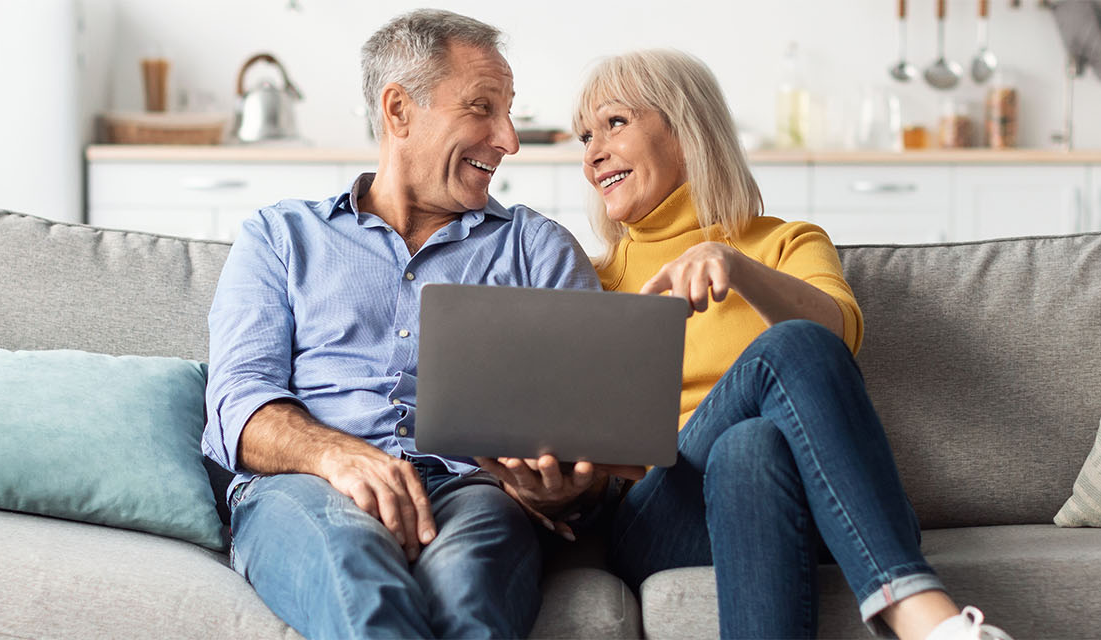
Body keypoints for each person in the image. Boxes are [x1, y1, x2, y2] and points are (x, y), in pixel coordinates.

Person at [480, 50, 1013, 640]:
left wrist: (737, 266)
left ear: (685, 131)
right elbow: (592, 456)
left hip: (798, 500)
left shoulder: (788, 244)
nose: (593, 154)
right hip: (662, 519)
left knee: (753, 438)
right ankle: (926, 617)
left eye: (614, 123)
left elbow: (837, 341)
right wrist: (556, 488)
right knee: (773, 375)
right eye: (585, 136)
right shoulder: (593, 279)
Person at [201, 10, 601, 638]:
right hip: (309, 486)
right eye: (481, 108)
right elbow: (236, 402)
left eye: (509, 111)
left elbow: (596, 436)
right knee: (357, 575)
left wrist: (564, 489)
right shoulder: (280, 237)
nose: (509, 139)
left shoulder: (537, 250)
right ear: (398, 111)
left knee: (469, 588)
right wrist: (337, 455)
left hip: (473, 491)